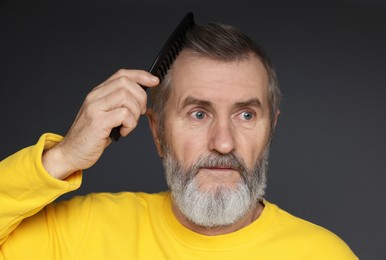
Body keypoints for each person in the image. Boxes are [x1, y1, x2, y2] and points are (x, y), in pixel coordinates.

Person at [0, 23, 357, 259]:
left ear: (271, 130)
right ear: (157, 132)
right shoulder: (80, 232)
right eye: (198, 114)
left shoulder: (324, 254)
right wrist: (62, 157)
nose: (223, 143)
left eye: (245, 115)